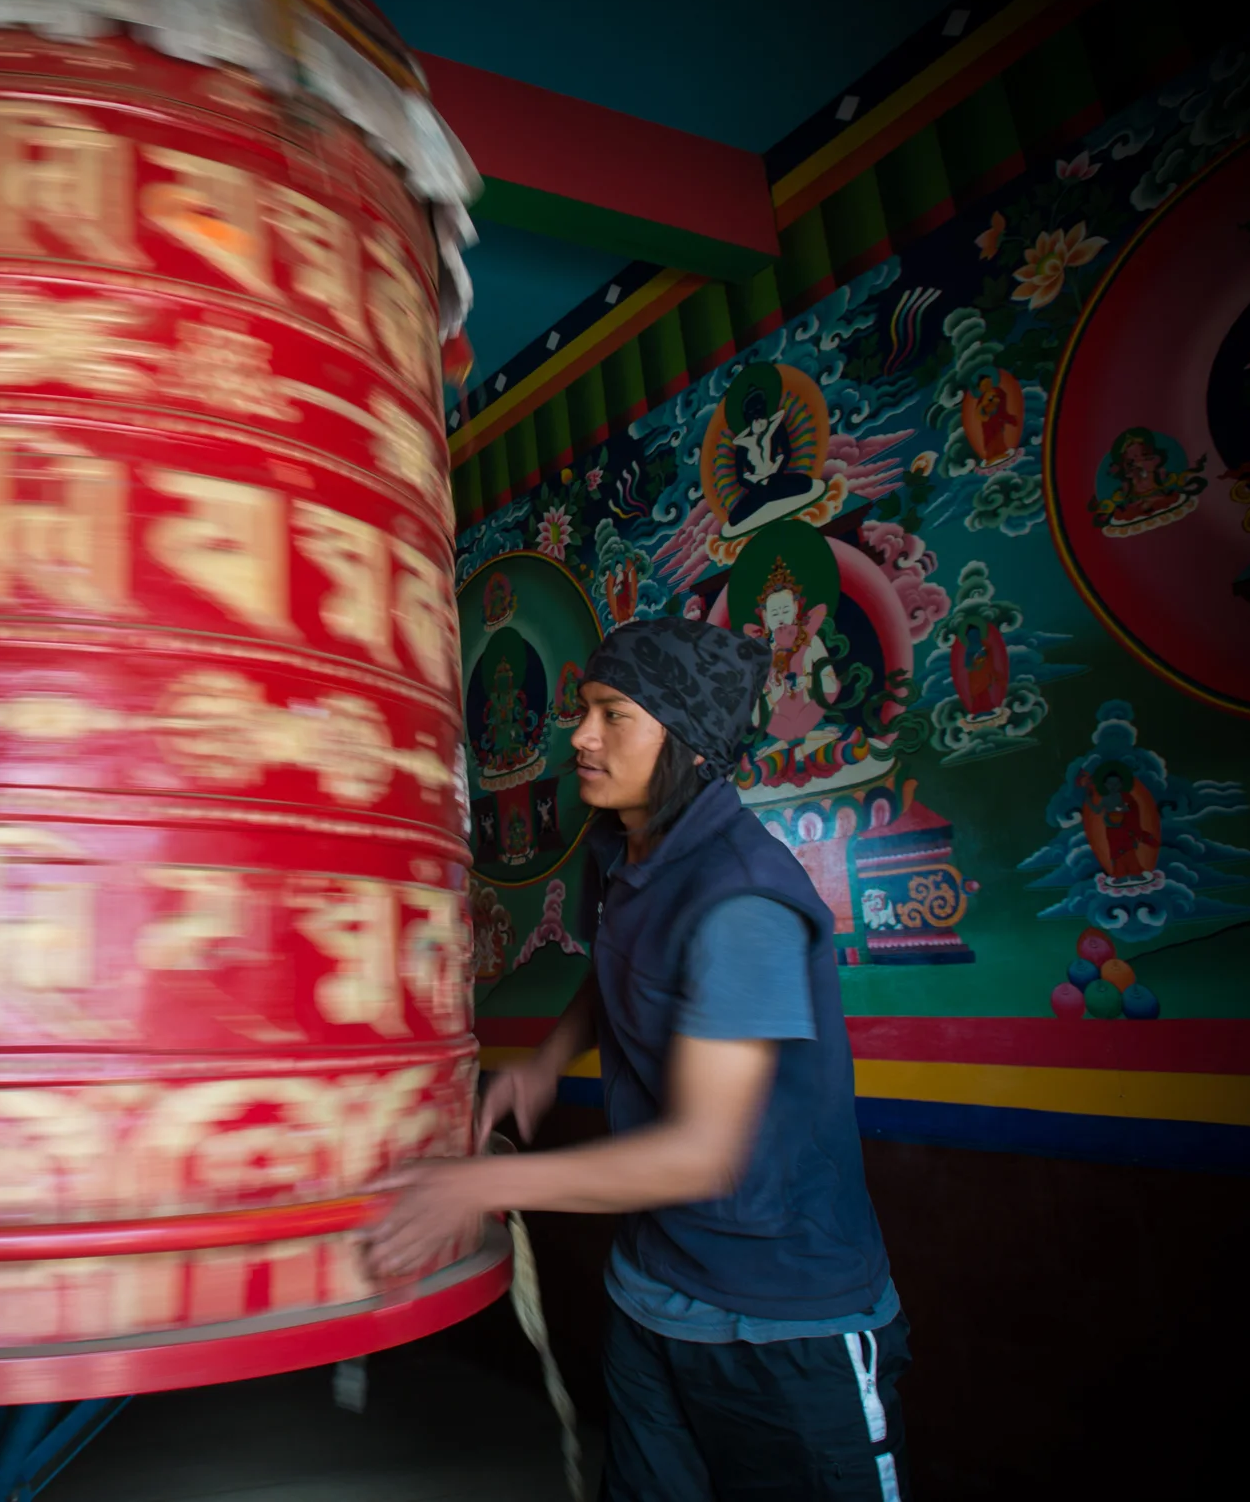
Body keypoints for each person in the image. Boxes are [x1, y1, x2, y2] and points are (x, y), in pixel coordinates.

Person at [364, 617, 908, 1501]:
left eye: (613, 714)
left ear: (684, 741)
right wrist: (544, 1064)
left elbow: (703, 1153)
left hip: (778, 1323)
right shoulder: (626, 853)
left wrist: (478, 1186)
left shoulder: (740, 903)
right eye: (585, 710)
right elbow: (620, 966)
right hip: (653, 1293)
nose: (580, 735)